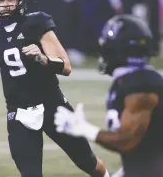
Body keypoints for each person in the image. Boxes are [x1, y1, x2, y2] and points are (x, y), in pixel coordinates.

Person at [0, 0, 110, 177]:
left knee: (88, 162)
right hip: (20, 114)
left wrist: (43, 58)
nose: (5, 4)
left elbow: (66, 66)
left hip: (54, 107)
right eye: (0, 0)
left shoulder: (37, 22)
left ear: (20, 0)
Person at [54, 14, 163, 177]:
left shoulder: (142, 87)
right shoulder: (129, 81)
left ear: (121, 51)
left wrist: (84, 129)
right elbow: (146, 147)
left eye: (108, 49)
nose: (104, 54)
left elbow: (127, 141)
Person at [62, 0, 123, 66]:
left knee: (97, 33)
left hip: (94, 11)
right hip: (94, 11)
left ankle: (101, 54)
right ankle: (95, 54)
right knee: (96, 33)